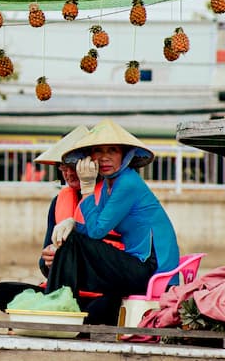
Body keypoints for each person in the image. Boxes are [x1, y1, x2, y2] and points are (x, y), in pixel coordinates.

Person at [44, 119, 179, 324]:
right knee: (72, 239)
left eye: (112, 150)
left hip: (152, 271)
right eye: (98, 151)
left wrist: (87, 189)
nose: (105, 157)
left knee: (74, 240)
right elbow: (90, 229)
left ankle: (57, 307)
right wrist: (73, 224)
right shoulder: (110, 184)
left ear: (124, 155)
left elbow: (97, 231)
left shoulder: (128, 183)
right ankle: (57, 305)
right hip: (136, 267)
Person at [0, 125, 99, 311]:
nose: (68, 173)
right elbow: (44, 262)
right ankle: (52, 309)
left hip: (98, 290)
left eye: (73, 166)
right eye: (63, 167)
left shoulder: (110, 196)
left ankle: (52, 312)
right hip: (59, 289)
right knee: (1, 292)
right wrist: (49, 260)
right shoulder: (58, 201)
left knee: (105, 307)